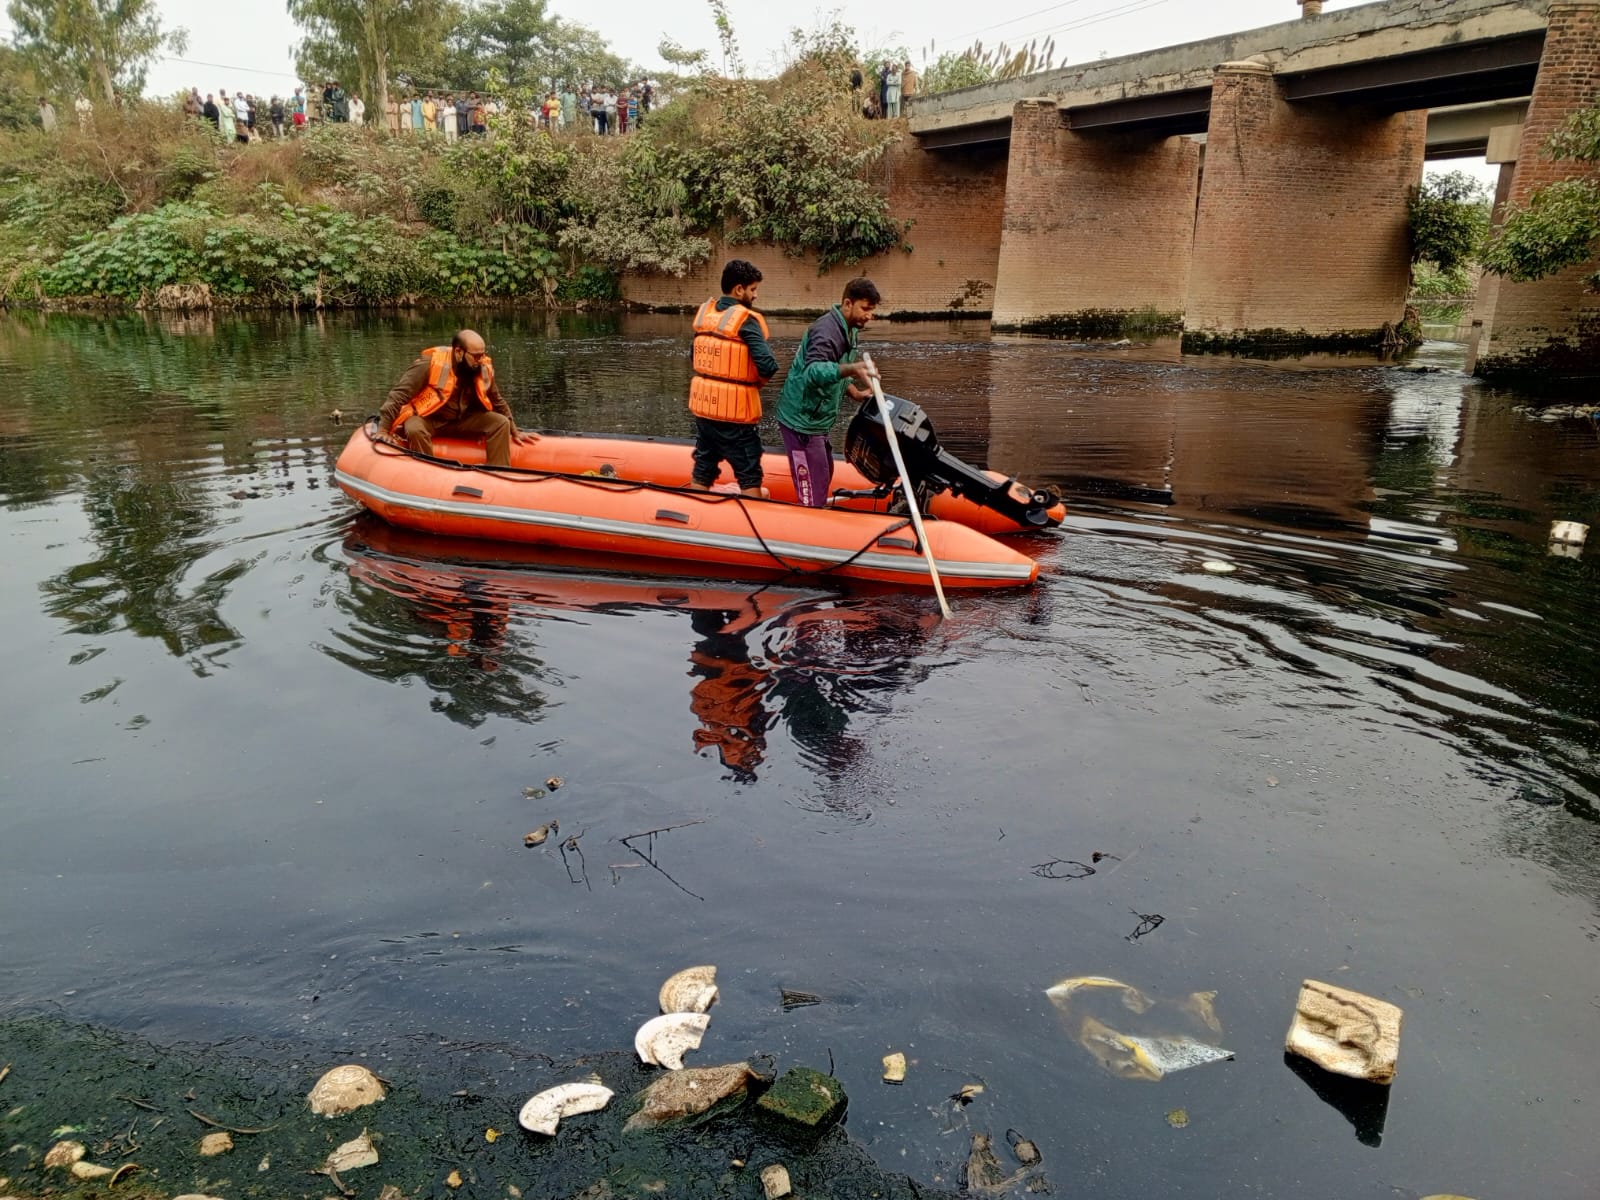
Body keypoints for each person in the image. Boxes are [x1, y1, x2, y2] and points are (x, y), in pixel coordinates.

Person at [776, 278, 881, 507]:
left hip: (816, 420)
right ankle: (811, 521)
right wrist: (853, 369)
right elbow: (813, 372)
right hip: (801, 421)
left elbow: (833, 371)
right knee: (813, 483)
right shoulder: (827, 332)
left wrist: (852, 392)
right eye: (865, 309)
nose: (869, 315)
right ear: (847, 303)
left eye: (872, 310)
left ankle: (816, 510)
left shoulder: (848, 329)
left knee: (825, 471)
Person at [375, 331, 538, 468]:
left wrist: (515, 431)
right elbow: (398, 396)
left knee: (501, 422)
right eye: (476, 356)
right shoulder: (429, 365)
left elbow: (497, 400)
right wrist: (383, 430)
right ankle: (428, 473)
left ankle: (498, 474)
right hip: (429, 420)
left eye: (483, 355)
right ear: (459, 352)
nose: (480, 360)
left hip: (462, 420)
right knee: (414, 428)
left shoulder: (482, 369)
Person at [688, 259, 778, 498]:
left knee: (703, 470)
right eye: (753, 289)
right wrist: (753, 385)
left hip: (705, 414)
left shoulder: (706, 316)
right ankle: (751, 528)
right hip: (736, 418)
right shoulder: (745, 320)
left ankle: (692, 518)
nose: (755, 295)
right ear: (739, 289)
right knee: (749, 475)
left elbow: (694, 357)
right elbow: (768, 366)